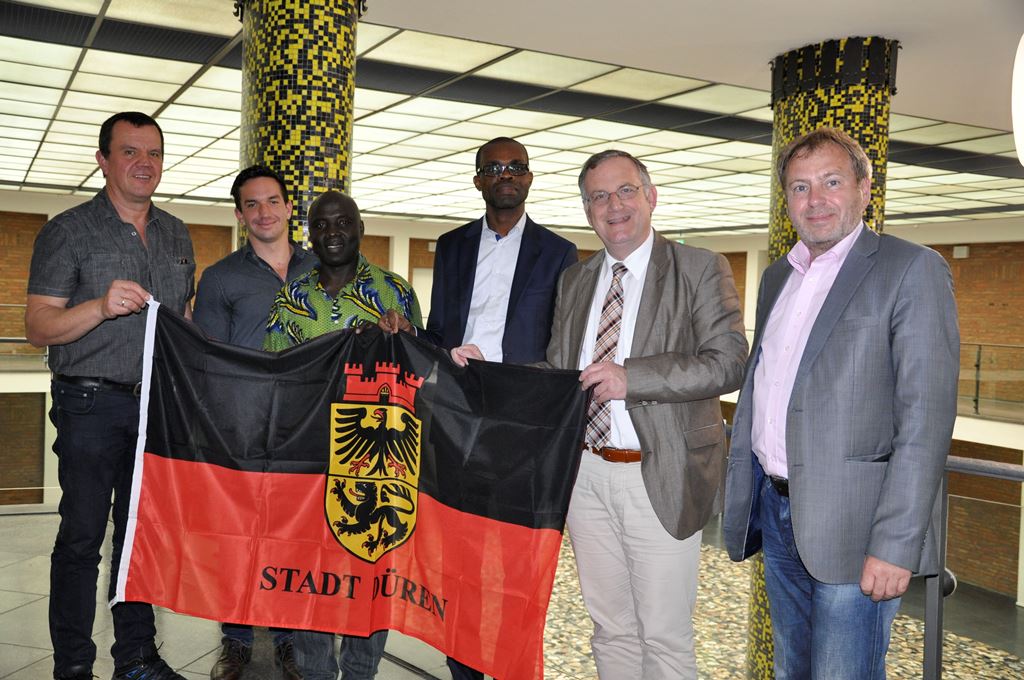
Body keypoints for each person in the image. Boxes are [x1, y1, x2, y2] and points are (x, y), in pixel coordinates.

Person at [452, 149, 746, 678]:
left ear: (650, 196)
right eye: (598, 197)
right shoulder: (577, 280)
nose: (614, 205)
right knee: (610, 629)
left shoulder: (700, 268)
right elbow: (563, 372)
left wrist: (633, 377)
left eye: (625, 191)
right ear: (587, 211)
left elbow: (727, 363)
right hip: (585, 474)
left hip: (660, 472)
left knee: (663, 637)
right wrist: (487, 371)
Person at [722, 127, 960, 679]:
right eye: (800, 188)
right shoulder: (780, 275)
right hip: (779, 513)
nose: (816, 199)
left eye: (831, 182)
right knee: (792, 670)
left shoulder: (910, 269)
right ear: (787, 202)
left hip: (859, 532)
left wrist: (896, 544)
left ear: (864, 188)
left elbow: (924, 421)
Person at [378, 136, 576, 680]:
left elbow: (560, 340)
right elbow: (441, 329)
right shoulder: (453, 246)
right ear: (478, 181)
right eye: (493, 167)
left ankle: (506, 662)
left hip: (518, 420)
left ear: (530, 178)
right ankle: (462, 668)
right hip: (456, 416)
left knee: (511, 557)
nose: (505, 174)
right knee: (456, 551)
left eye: (515, 167)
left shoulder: (559, 253)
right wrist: (411, 336)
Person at [25, 111, 195, 680]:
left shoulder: (176, 233)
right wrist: (99, 305)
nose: (144, 162)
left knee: (139, 538)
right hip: (90, 404)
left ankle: (137, 658)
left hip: (155, 407)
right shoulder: (67, 230)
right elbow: (38, 327)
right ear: (103, 160)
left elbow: (184, 319)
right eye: (129, 151)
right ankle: (73, 665)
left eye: (154, 153)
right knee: (82, 537)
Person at [263, 190, 421, 680]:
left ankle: (360, 673)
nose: (333, 233)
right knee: (313, 575)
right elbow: (274, 373)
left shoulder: (395, 292)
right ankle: (314, 672)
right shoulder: (291, 297)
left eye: (343, 223)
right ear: (309, 233)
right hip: (309, 458)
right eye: (322, 225)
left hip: (377, 461)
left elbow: (421, 375)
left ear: (360, 230)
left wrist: (407, 337)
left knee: (371, 573)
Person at [192, 165, 313, 680]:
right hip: (241, 425)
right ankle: (237, 641)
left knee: (294, 537)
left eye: (273, 202)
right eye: (252, 205)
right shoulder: (221, 278)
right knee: (237, 538)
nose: (264, 212)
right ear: (241, 216)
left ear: (289, 208)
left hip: (307, 423)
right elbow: (208, 358)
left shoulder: (325, 269)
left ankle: (289, 640)